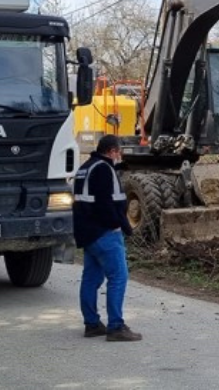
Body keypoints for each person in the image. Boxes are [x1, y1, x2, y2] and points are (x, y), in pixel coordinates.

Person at [72, 134, 142, 342]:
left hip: (87, 234)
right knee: (118, 277)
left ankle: (92, 324)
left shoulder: (85, 168)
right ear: (112, 151)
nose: (119, 155)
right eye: (118, 152)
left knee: (91, 279)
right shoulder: (104, 169)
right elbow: (106, 204)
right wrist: (120, 226)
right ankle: (116, 327)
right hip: (105, 234)